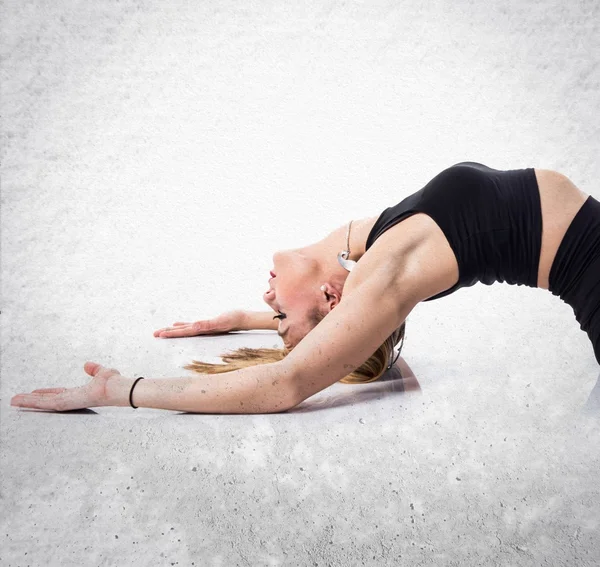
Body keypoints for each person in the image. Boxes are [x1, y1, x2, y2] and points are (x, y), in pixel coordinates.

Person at [10, 162, 599, 414]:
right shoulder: (386, 267)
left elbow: (303, 354)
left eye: (278, 322)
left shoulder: (377, 250)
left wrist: (235, 320)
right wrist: (127, 390)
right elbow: (288, 381)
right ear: (333, 302)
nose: (269, 303)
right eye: (281, 318)